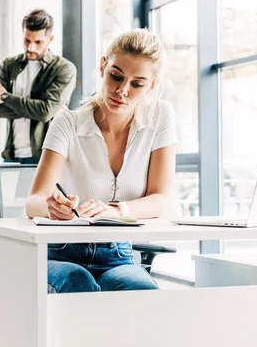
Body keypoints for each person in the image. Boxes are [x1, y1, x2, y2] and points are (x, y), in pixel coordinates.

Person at [25, 28, 177, 293]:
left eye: (137, 84)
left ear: (151, 86)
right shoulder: (68, 123)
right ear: (102, 67)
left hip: (117, 254)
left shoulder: (160, 116)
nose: (122, 90)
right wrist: (51, 208)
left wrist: (117, 210)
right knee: (78, 283)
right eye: (116, 76)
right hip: (61, 251)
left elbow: (160, 199)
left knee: (142, 291)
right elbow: (33, 201)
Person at [0, 8, 77, 164]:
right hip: (12, 155)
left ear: (51, 39)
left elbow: (44, 112)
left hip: (45, 156)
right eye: (27, 40)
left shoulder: (63, 69)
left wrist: (5, 97)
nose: (30, 48)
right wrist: (35, 107)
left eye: (38, 42)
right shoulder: (9, 66)